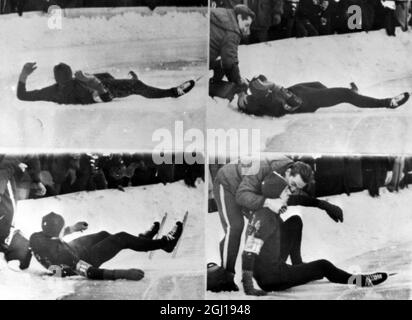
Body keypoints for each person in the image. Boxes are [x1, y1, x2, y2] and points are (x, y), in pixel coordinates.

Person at [212, 156, 344, 291]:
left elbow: (294, 198)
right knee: (235, 226)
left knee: (291, 223)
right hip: (228, 183)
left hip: (265, 269)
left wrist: (323, 204)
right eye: (291, 186)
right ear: (287, 173)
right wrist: (268, 202)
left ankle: (289, 265)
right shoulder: (262, 168)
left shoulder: (280, 184)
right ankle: (226, 276)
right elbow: (241, 195)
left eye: (296, 188)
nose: (292, 192)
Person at [241, 206, 388, 295]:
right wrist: (249, 287)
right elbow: (248, 252)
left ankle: (298, 264)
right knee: (323, 265)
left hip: (270, 268)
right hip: (274, 277)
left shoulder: (263, 214)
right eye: (284, 194)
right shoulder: (263, 221)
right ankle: (359, 280)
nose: (286, 199)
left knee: (295, 221)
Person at [29, 212, 183, 280]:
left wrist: (71, 228)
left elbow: (52, 236)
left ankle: (139, 241)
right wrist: (121, 273)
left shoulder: (36, 238)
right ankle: (165, 244)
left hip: (72, 248)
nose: (64, 230)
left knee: (103, 234)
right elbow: (89, 272)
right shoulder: (64, 255)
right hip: (84, 259)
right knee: (121, 238)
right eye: (63, 229)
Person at [17, 62, 195, 105]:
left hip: (97, 85)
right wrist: (93, 82)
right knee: (137, 87)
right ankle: (173, 92)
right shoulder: (77, 88)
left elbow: (22, 95)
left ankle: (129, 82)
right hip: (102, 89)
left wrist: (24, 76)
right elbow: (105, 97)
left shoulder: (52, 91)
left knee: (104, 76)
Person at [237, 75, 410, 117]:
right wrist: (277, 88)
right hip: (306, 101)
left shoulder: (259, 97)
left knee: (320, 85)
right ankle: (388, 103)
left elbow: (245, 99)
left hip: (302, 90)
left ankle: (349, 97)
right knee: (344, 93)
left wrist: (244, 90)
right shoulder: (273, 105)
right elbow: (294, 103)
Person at [209, 4, 255, 97]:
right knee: (225, 64)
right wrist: (238, 83)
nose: (247, 30)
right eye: (246, 25)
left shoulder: (222, 13)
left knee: (221, 63)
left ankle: (214, 83)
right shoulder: (233, 32)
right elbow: (230, 62)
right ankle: (212, 88)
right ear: (239, 17)